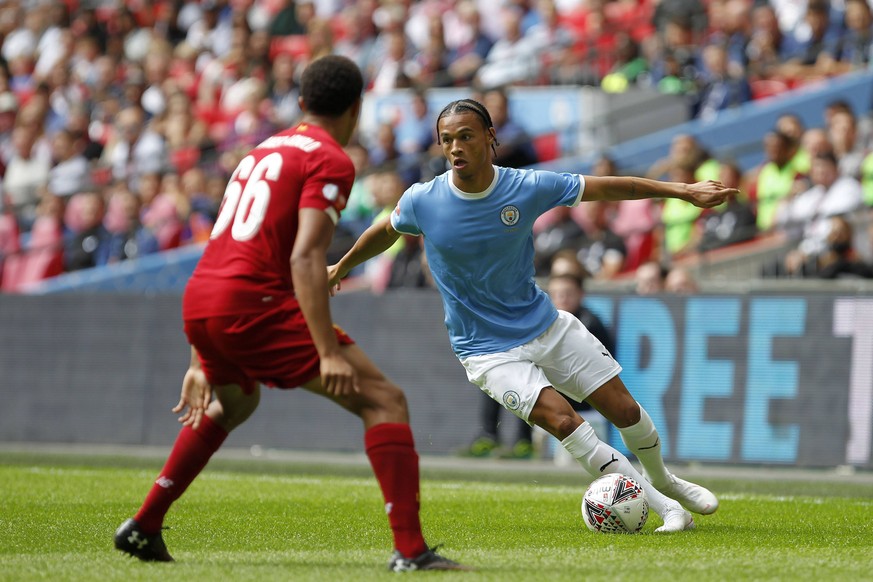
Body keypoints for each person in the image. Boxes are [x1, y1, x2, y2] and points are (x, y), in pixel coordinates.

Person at [113, 56, 466, 573]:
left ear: (301, 104)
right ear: (356, 108)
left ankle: (144, 525)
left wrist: (199, 354)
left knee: (234, 404)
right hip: (250, 306)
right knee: (386, 401)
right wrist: (327, 352)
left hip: (203, 299)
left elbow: (225, 246)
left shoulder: (259, 151)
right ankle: (411, 551)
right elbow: (305, 256)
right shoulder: (331, 159)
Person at [329, 98, 734, 533]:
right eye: (446, 140)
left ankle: (664, 480)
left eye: (466, 136)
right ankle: (666, 509)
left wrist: (683, 191)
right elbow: (385, 231)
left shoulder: (527, 186)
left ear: (490, 137)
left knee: (624, 410)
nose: (455, 148)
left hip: (544, 324)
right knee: (564, 421)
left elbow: (615, 188)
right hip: (485, 350)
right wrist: (344, 265)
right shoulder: (423, 200)